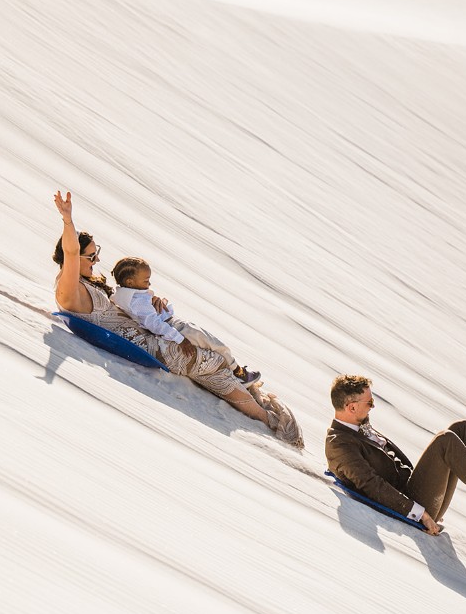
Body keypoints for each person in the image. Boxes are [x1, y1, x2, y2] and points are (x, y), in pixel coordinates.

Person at [52, 190, 302, 448]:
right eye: (91, 256)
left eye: (97, 253)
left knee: (207, 347)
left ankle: (249, 393)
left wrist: (149, 301)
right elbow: (71, 254)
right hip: (145, 346)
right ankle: (267, 420)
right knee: (213, 362)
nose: (97, 260)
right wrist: (68, 221)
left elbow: (122, 305)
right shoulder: (68, 289)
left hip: (148, 336)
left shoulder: (87, 282)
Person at [325, 374, 466, 535]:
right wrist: (420, 514)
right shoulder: (339, 444)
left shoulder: (357, 424)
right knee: (445, 441)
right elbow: (372, 486)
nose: (373, 407)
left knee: (462, 428)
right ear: (351, 407)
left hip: (416, 491)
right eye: (369, 403)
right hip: (415, 505)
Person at [109, 256, 261, 386]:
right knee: (215, 344)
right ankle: (239, 373)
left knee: (213, 345)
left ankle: (235, 373)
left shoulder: (125, 295)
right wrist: (180, 339)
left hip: (173, 326)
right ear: (129, 282)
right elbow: (154, 324)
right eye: (146, 281)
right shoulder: (138, 301)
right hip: (176, 328)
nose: (149, 284)